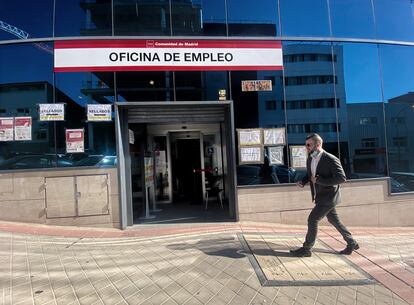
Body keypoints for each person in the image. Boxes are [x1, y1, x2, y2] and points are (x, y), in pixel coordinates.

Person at [290, 133, 359, 257]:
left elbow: (342, 178)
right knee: (334, 220)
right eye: (306, 145)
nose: (307, 147)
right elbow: (311, 174)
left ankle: (306, 249)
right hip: (320, 195)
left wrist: (321, 181)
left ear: (318, 144)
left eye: (309, 145)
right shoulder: (310, 158)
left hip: (329, 197)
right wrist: (303, 181)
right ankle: (351, 242)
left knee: (312, 219)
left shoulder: (330, 159)